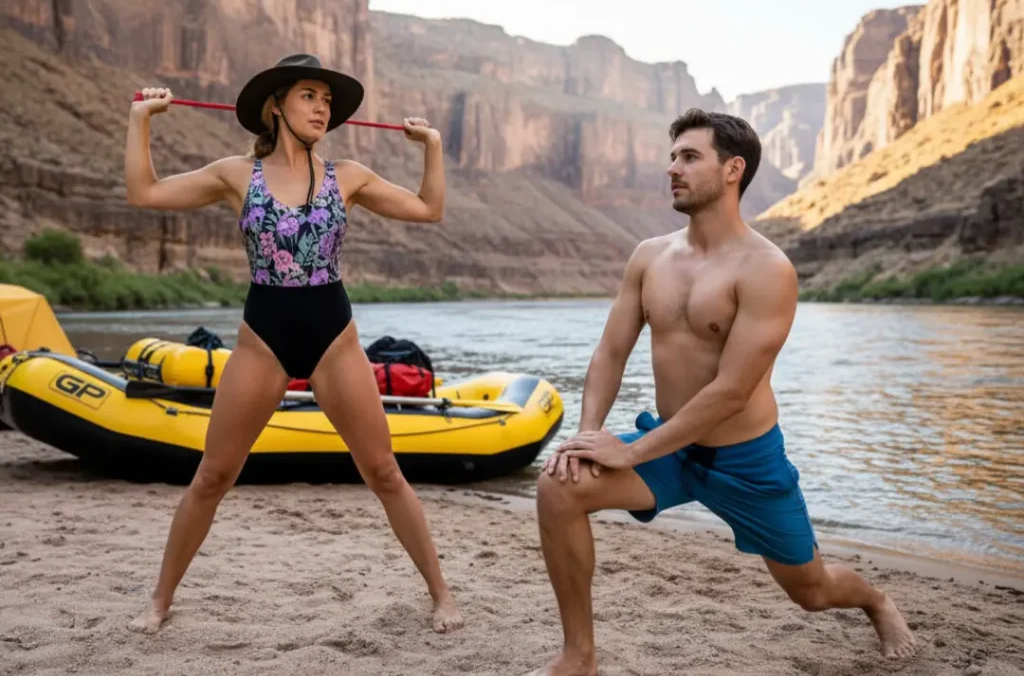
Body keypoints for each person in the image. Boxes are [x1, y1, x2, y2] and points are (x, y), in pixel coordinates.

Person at [523, 109, 917, 675]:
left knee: (811, 590)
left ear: (733, 169)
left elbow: (733, 391)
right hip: (669, 447)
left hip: (746, 459)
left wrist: (629, 451)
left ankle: (877, 601)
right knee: (558, 486)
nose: (672, 169)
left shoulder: (767, 268)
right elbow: (611, 352)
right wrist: (590, 432)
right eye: (672, 157)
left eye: (689, 157)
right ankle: (578, 656)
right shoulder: (649, 256)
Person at [123, 53, 463, 635]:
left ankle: (441, 595)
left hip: (334, 336)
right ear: (276, 104)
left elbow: (429, 210)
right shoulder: (236, 174)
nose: (322, 107)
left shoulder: (348, 176)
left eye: (327, 100)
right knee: (212, 476)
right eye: (310, 95)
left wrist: (431, 146)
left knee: (382, 471)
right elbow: (145, 194)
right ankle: (159, 600)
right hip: (263, 338)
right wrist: (141, 121)